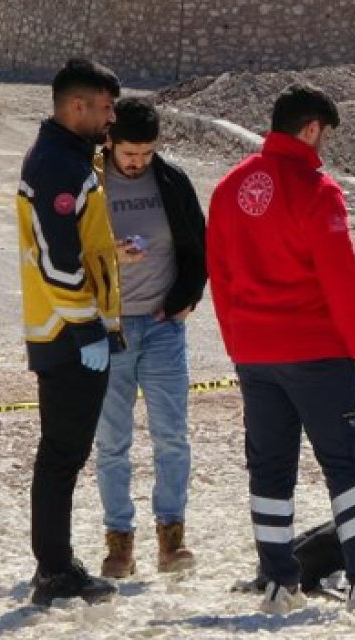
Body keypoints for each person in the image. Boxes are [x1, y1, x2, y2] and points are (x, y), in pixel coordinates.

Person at [207, 83, 355, 614]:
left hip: (255, 355)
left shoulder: (228, 188)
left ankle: (279, 584)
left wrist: (238, 345)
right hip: (316, 353)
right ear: (311, 128)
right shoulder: (317, 189)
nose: (323, 144)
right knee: (346, 466)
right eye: (323, 133)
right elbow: (342, 277)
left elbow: (220, 275)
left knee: (269, 471)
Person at [16, 57, 124, 606]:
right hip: (66, 337)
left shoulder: (72, 157)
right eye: (105, 108)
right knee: (61, 455)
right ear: (76, 106)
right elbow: (59, 263)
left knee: (64, 454)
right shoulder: (58, 166)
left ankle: (56, 561)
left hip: (71, 332)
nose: (112, 119)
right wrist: (86, 330)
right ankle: (54, 571)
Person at [94, 98, 207, 579]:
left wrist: (187, 297)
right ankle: (120, 545)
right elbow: (69, 251)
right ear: (110, 143)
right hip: (110, 329)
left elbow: (198, 245)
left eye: (146, 153)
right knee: (112, 441)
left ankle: (172, 539)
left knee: (171, 437)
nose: (137, 162)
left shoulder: (172, 182)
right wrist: (109, 255)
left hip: (163, 328)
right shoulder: (90, 184)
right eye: (129, 154)